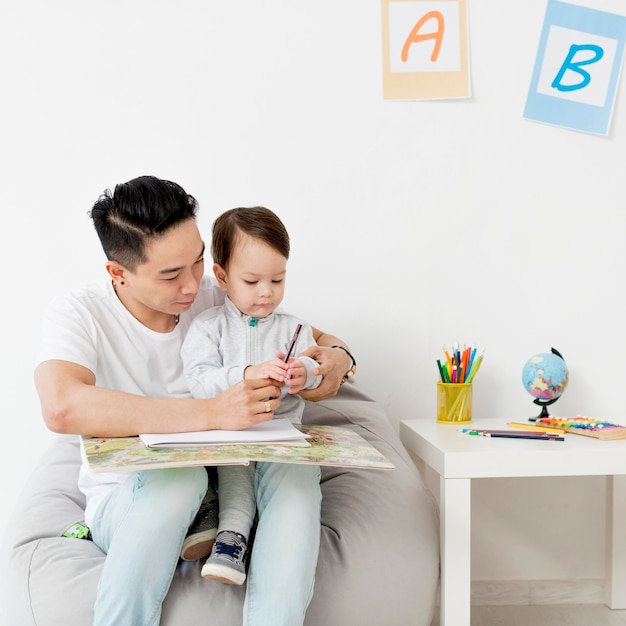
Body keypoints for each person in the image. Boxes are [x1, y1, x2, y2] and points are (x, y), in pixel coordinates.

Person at [33, 175, 356, 626]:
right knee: (179, 480)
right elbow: (62, 406)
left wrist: (337, 360)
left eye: (198, 260)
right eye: (170, 274)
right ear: (118, 273)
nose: (192, 285)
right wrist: (210, 412)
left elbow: (318, 340)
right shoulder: (79, 312)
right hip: (131, 495)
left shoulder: (218, 294)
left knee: (297, 482)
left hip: (237, 477)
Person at [181, 206, 323, 587]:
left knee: (291, 482)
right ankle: (232, 537)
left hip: (284, 435)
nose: (266, 292)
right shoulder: (208, 327)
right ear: (223, 277)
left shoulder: (295, 327)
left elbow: (315, 370)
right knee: (235, 473)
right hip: (232, 436)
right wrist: (244, 375)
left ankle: (269, 536)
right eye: (252, 281)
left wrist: (301, 374)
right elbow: (199, 380)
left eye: (277, 279)